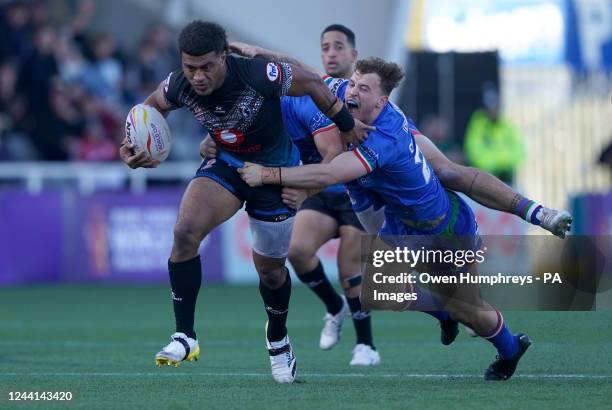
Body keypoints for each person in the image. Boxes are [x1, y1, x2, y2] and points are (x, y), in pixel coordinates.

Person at [238, 57, 573, 380]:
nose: (352, 92)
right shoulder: (344, 97)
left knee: (470, 310)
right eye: (353, 84)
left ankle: (511, 348)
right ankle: (448, 314)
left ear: (382, 101)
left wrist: (268, 175)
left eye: (364, 89)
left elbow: (331, 172)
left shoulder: (385, 139)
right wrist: (250, 54)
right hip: (402, 228)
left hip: (441, 232)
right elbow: (303, 72)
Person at [118, 20, 370, 384]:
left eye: (207, 66)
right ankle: (185, 336)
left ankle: (278, 339)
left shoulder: (258, 74)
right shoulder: (179, 83)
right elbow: (150, 107)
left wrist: (346, 124)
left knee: (270, 272)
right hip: (227, 165)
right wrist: (133, 145)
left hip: (276, 175)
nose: (199, 76)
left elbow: (313, 83)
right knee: (185, 231)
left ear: (224, 56)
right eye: (191, 67)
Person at [463, 83, 524, 185]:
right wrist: (502, 160)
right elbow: (474, 152)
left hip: (508, 177)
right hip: (485, 179)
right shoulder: (478, 124)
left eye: (496, 106)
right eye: (490, 107)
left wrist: (498, 161)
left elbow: (520, 150)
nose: (494, 110)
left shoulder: (507, 125)